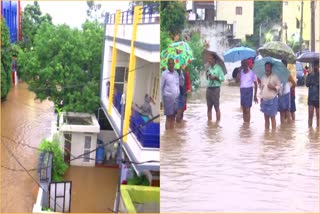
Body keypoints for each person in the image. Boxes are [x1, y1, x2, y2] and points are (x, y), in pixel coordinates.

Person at [260, 62, 281, 130]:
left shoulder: (275, 77)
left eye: (268, 67)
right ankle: (267, 135)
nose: (267, 69)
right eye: (266, 67)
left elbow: (280, 87)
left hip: (273, 100)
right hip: (264, 100)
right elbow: (261, 89)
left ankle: (273, 135)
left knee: (272, 118)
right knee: (266, 119)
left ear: (271, 68)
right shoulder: (262, 77)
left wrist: (273, 87)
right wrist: (261, 97)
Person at [161, 58, 180, 130]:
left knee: (174, 117)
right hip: (168, 98)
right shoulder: (164, 74)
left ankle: (171, 134)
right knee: (168, 117)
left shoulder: (176, 73)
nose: (171, 65)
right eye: (170, 63)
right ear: (167, 65)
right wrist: (161, 100)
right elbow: (161, 87)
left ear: (174, 64)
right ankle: (168, 135)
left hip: (176, 98)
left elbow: (178, 85)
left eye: (172, 63)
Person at [206, 53, 225, 121]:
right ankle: (209, 123)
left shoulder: (219, 68)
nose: (209, 60)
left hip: (216, 89)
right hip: (209, 88)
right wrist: (207, 74)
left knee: (216, 107)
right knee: (209, 107)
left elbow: (222, 79)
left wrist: (215, 77)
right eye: (209, 59)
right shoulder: (208, 68)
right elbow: (207, 79)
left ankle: (218, 123)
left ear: (214, 60)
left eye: (210, 59)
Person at [278, 60, 296, 124]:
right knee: (281, 112)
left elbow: (294, 83)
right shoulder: (278, 74)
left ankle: (288, 129)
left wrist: (289, 87)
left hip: (286, 94)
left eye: (283, 65)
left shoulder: (288, 74)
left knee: (287, 112)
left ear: (285, 66)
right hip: (280, 94)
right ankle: (283, 128)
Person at [306, 61, 319, 127]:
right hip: (311, 97)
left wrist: (317, 83)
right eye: (314, 66)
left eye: (316, 65)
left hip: (318, 98)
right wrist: (311, 80)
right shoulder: (310, 74)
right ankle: (310, 130)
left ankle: (317, 130)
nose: (315, 67)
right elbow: (307, 84)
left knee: (318, 116)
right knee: (310, 116)